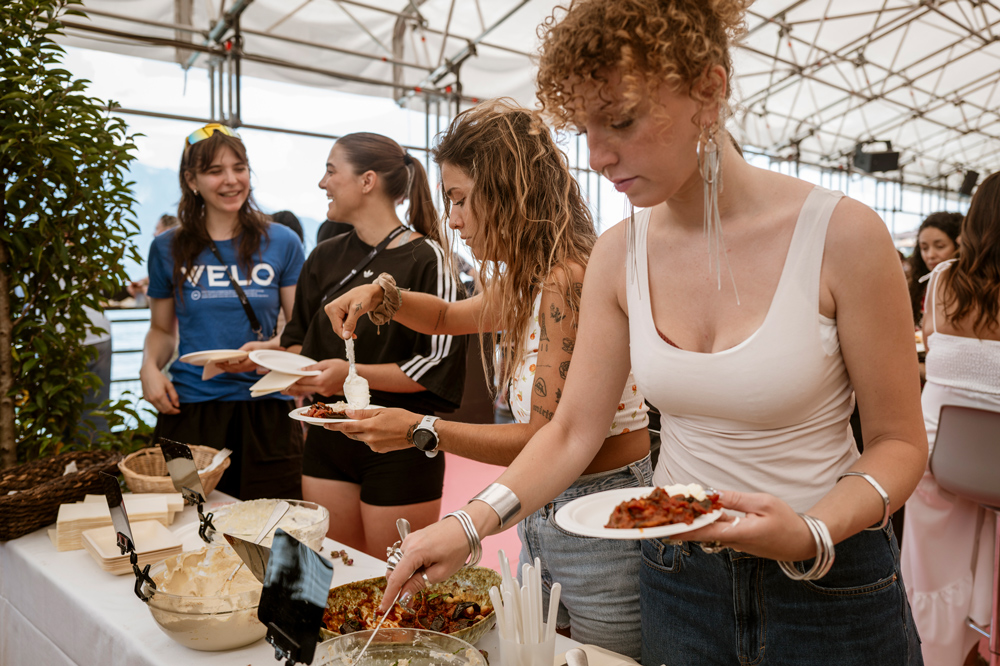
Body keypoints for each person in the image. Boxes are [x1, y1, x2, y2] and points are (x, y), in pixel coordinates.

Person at [376, 2, 928, 664]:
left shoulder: (843, 235)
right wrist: (468, 524)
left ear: (709, 91)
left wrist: (812, 530)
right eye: (587, 129)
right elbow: (571, 431)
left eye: (622, 121)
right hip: (679, 575)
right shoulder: (620, 253)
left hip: (828, 578)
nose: (599, 156)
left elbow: (898, 442)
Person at [326, 100, 651, 658]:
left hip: (602, 518)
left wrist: (420, 429)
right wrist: (383, 294)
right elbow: (447, 317)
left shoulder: (568, 280)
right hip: (539, 507)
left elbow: (547, 439)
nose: (453, 220)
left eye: (459, 199)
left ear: (506, 192)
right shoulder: (532, 279)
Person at [279, 132, 467, 559]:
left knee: (398, 578)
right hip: (327, 437)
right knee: (329, 570)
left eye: (331, 171)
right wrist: (295, 372)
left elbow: (436, 366)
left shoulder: (429, 257)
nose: (323, 183)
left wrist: (349, 375)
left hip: (402, 441)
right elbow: (296, 339)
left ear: (367, 181)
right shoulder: (322, 256)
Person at [141, 123, 306, 501]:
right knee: (186, 512)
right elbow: (162, 330)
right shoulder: (166, 247)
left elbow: (300, 328)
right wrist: (149, 367)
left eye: (239, 168)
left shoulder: (282, 241)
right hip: (187, 410)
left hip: (268, 411)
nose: (231, 180)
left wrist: (269, 350)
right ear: (192, 180)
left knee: (275, 522)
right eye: (215, 171)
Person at [901, 172, 1000, 666]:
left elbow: (931, 344)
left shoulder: (940, 281)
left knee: (930, 572)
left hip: (937, 457)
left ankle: (934, 652)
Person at [908, 212, 962, 325]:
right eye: (924, 248)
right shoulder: (919, 287)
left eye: (940, 246)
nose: (930, 255)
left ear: (958, 246)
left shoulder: (967, 288)